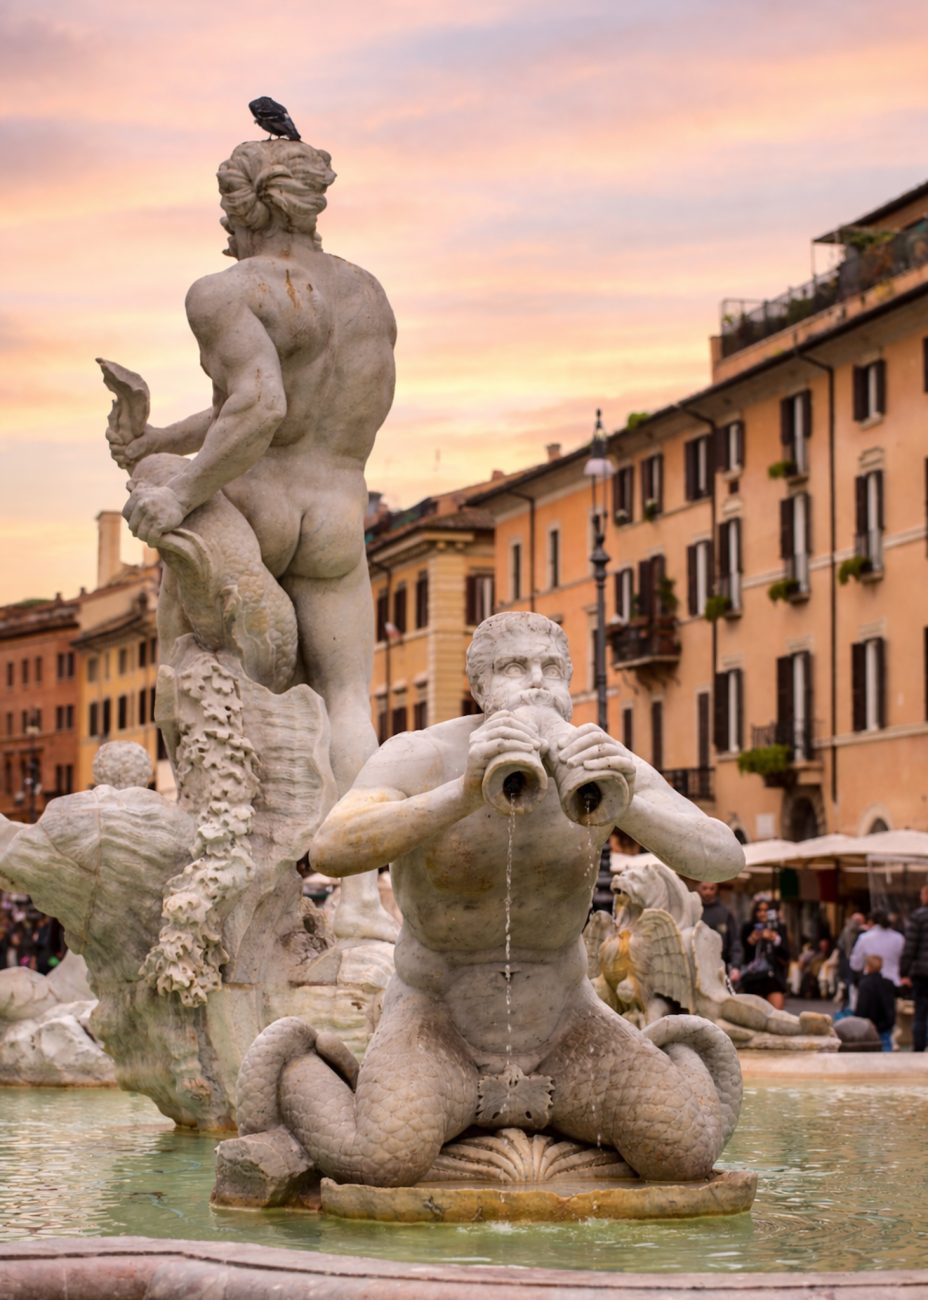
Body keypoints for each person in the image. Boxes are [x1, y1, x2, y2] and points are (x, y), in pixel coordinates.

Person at [299, 612, 746, 1185]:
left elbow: (722, 858)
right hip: (439, 1019)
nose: (537, 682)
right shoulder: (422, 754)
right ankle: (302, 1065)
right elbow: (332, 847)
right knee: (385, 1159)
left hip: (565, 1021)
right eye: (514, 667)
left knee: (681, 1154)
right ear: (481, 688)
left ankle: (676, 1055)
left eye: (552, 668)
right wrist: (459, 794)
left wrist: (621, 798)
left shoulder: (604, 757)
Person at [107, 138, 398, 942]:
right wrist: (160, 434)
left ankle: (214, 866)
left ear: (251, 205)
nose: (223, 225)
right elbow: (278, 403)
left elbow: (262, 405)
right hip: (338, 514)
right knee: (349, 700)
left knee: (192, 673)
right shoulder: (368, 296)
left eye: (227, 208)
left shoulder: (226, 291)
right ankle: (362, 904)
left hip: (257, 504)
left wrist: (176, 490)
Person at [738, 898, 790, 1009]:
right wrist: (752, 939)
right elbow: (744, 954)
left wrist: (775, 939)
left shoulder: (779, 928)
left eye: (766, 910)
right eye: (759, 910)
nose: (762, 913)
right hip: (754, 977)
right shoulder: (748, 927)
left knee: (777, 1015)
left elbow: (786, 955)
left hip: (774, 977)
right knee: (756, 1015)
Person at [900, 883, 928, 1053]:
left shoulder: (918, 916)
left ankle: (919, 1048)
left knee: (920, 1012)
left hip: (922, 973)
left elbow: (910, 947)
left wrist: (904, 972)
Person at [696, 880, 743, 978]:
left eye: (712, 888)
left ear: (716, 889)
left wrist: (735, 966)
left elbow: (735, 942)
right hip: (696, 966)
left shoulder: (725, 913)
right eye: (704, 888)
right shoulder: (692, 912)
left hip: (720, 966)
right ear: (698, 888)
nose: (708, 892)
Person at [850, 911, 904, 991]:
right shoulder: (899, 938)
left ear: (871, 922)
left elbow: (856, 964)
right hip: (893, 981)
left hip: (870, 983)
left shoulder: (865, 938)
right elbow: (904, 959)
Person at [855, 954, 896, 1051]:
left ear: (867, 967)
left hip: (869, 1025)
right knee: (886, 1051)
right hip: (885, 1025)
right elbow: (890, 1007)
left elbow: (862, 1007)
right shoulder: (888, 983)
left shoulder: (864, 984)